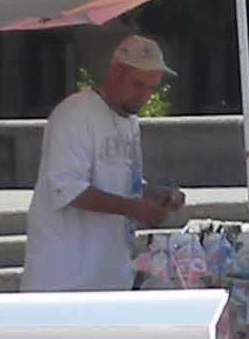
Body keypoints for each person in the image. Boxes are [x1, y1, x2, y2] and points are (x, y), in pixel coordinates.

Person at [20, 30, 186, 292]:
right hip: (64, 282)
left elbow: (124, 182)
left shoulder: (130, 123)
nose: (144, 95)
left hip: (111, 277)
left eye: (151, 88)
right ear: (115, 72)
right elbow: (67, 188)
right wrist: (134, 208)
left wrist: (155, 195)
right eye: (138, 85)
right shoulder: (75, 113)